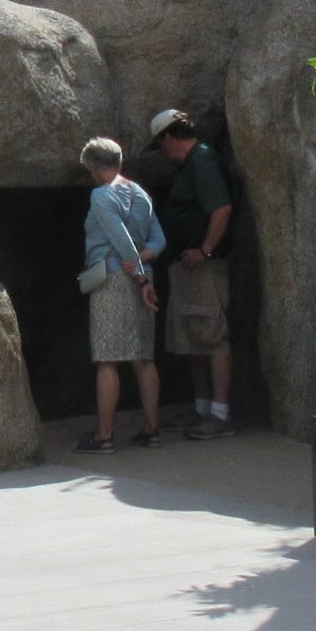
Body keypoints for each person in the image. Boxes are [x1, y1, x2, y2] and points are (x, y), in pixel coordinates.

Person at [149, 108, 238, 439]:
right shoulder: (192, 165)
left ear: (169, 137)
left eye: (160, 146)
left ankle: (220, 413)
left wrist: (206, 250)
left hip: (203, 267)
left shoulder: (202, 160)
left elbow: (222, 208)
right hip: (186, 266)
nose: (163, 154)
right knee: (192, 337)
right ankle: (202, 408)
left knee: (212, 335)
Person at [76, 137, 165, 453]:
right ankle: (151, 429)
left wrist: (140, 277)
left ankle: (104, 435)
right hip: (143, 279)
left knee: (107, 359)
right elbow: (159, 239)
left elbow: (121, 239)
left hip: (113, 280)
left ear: (95, 166)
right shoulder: (140, 193)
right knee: (143, 357)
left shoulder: (102, 195)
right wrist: (145, 265)